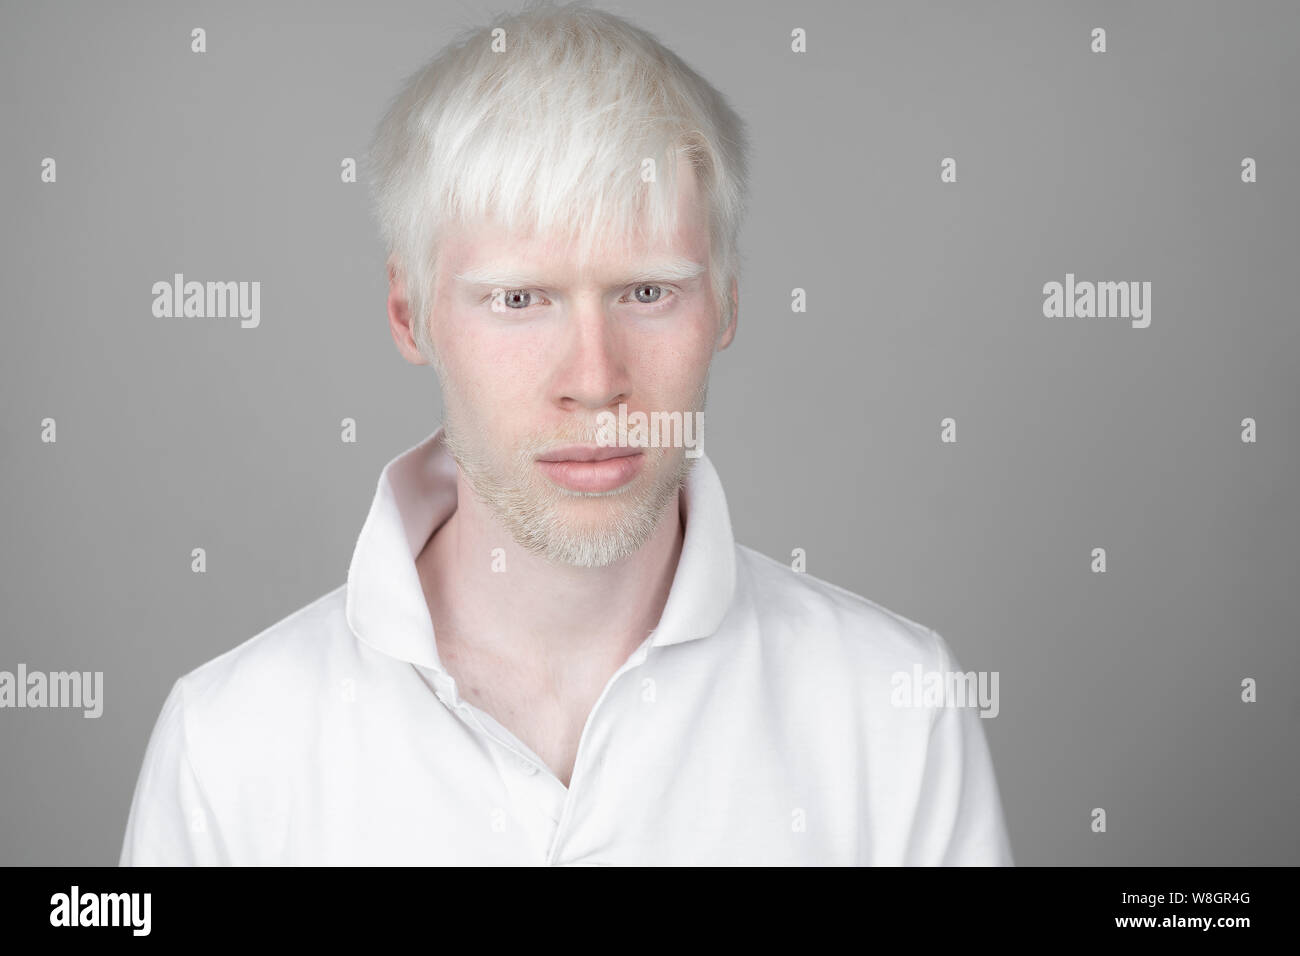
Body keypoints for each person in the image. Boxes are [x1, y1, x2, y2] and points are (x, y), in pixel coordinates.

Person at [120, 0, 1013, 865]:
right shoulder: (229, 743)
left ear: (728, 302)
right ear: (410, 311)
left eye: (648, 292)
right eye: (519, 300)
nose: (595, 381)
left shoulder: (895, 708)